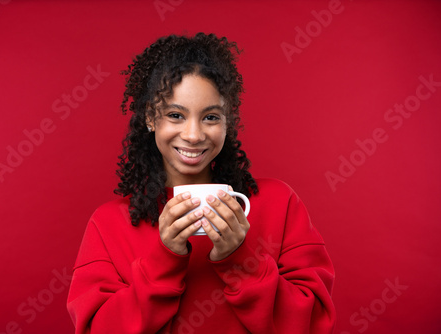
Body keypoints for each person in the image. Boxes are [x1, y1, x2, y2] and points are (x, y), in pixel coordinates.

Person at [67, 32, 336, 333]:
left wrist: (240, 260)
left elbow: (314, 323)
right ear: (151, 119)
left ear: (227, 122)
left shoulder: (280, 204)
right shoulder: (107, 225)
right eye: (175, 115)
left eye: (210, 117)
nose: (194, 135)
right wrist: (164, 259)